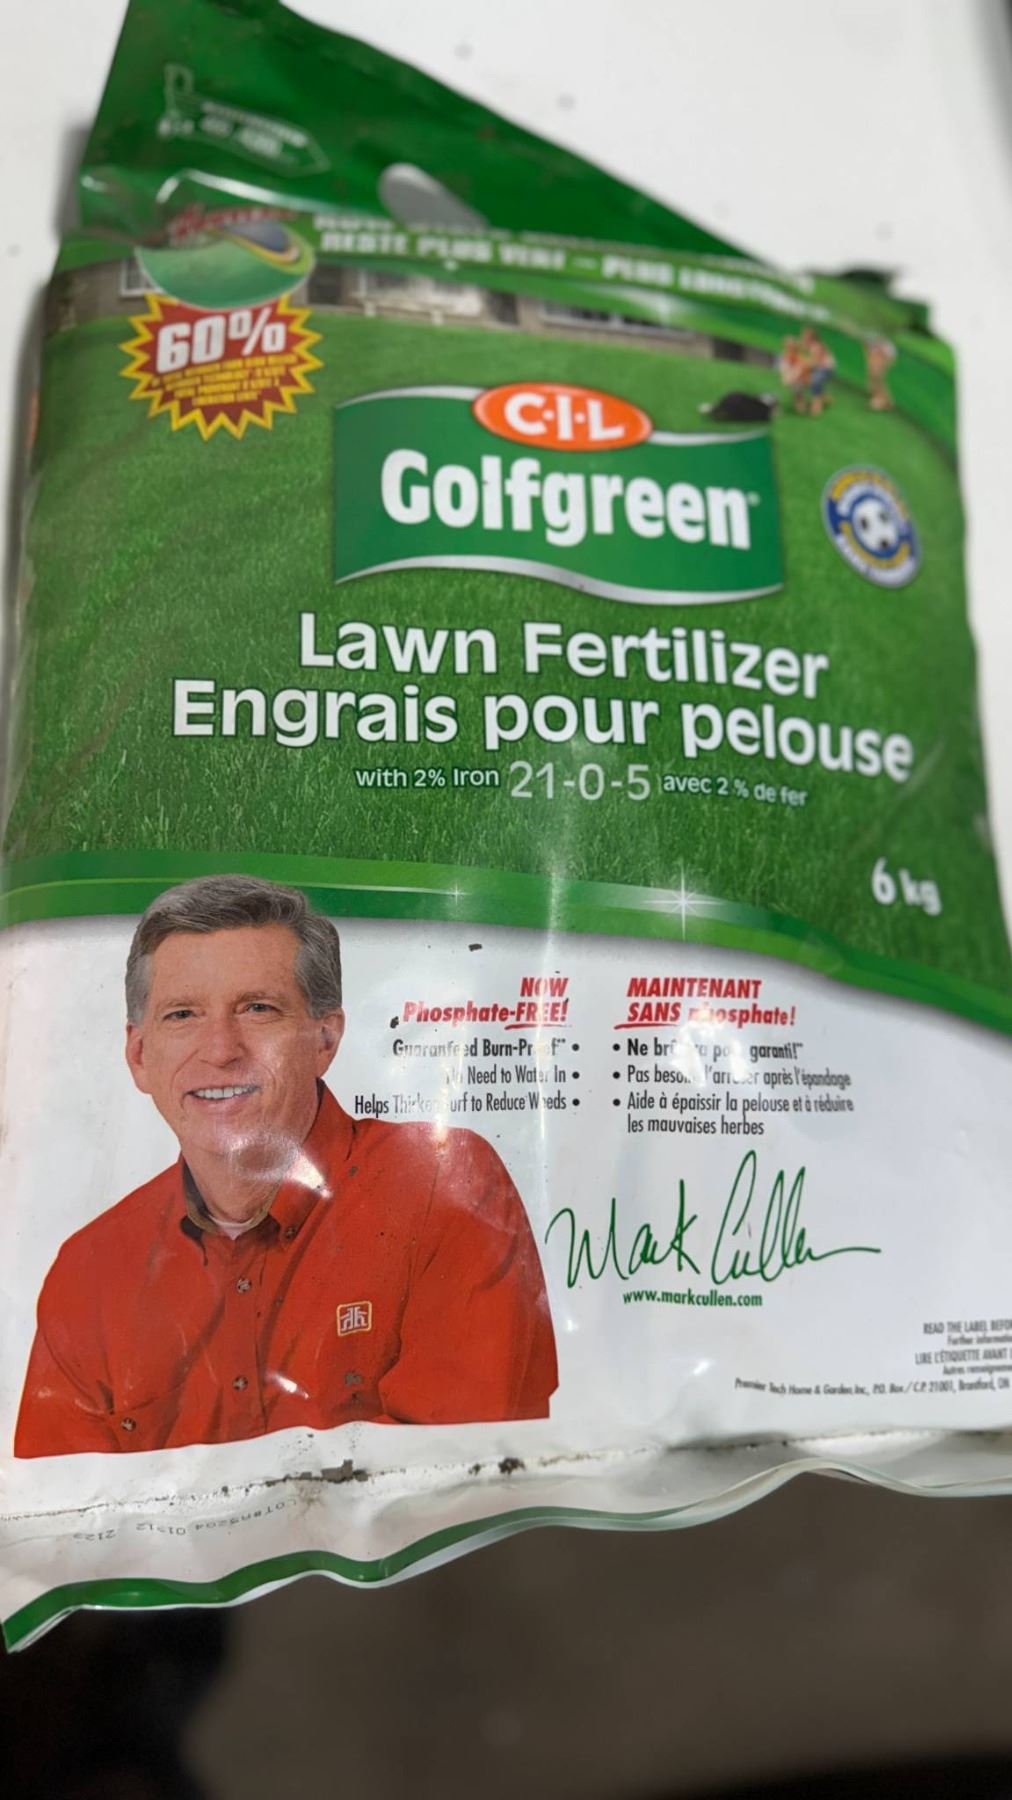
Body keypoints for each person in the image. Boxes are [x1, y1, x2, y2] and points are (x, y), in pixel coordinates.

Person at [15, 876, 558, 1456]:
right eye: (182, 1014)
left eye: (258, 1008)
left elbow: (455, 1473)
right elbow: (63, 1500)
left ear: (325, 1038)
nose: (220, 1049)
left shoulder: (444, 1184)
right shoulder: (88, 1272)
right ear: (139, 1055)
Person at [801, 325, 835, 416]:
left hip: (826, 369)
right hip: (819, 368)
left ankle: (816, 406)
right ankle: (826, 398)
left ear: (812, 337)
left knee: (814, 379)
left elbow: (815, 362)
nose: (804, 336)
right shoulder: (809, 345)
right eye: (804, 334)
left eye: (806, 335)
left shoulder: (816, 346)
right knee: (809, 379)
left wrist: (804, 365)